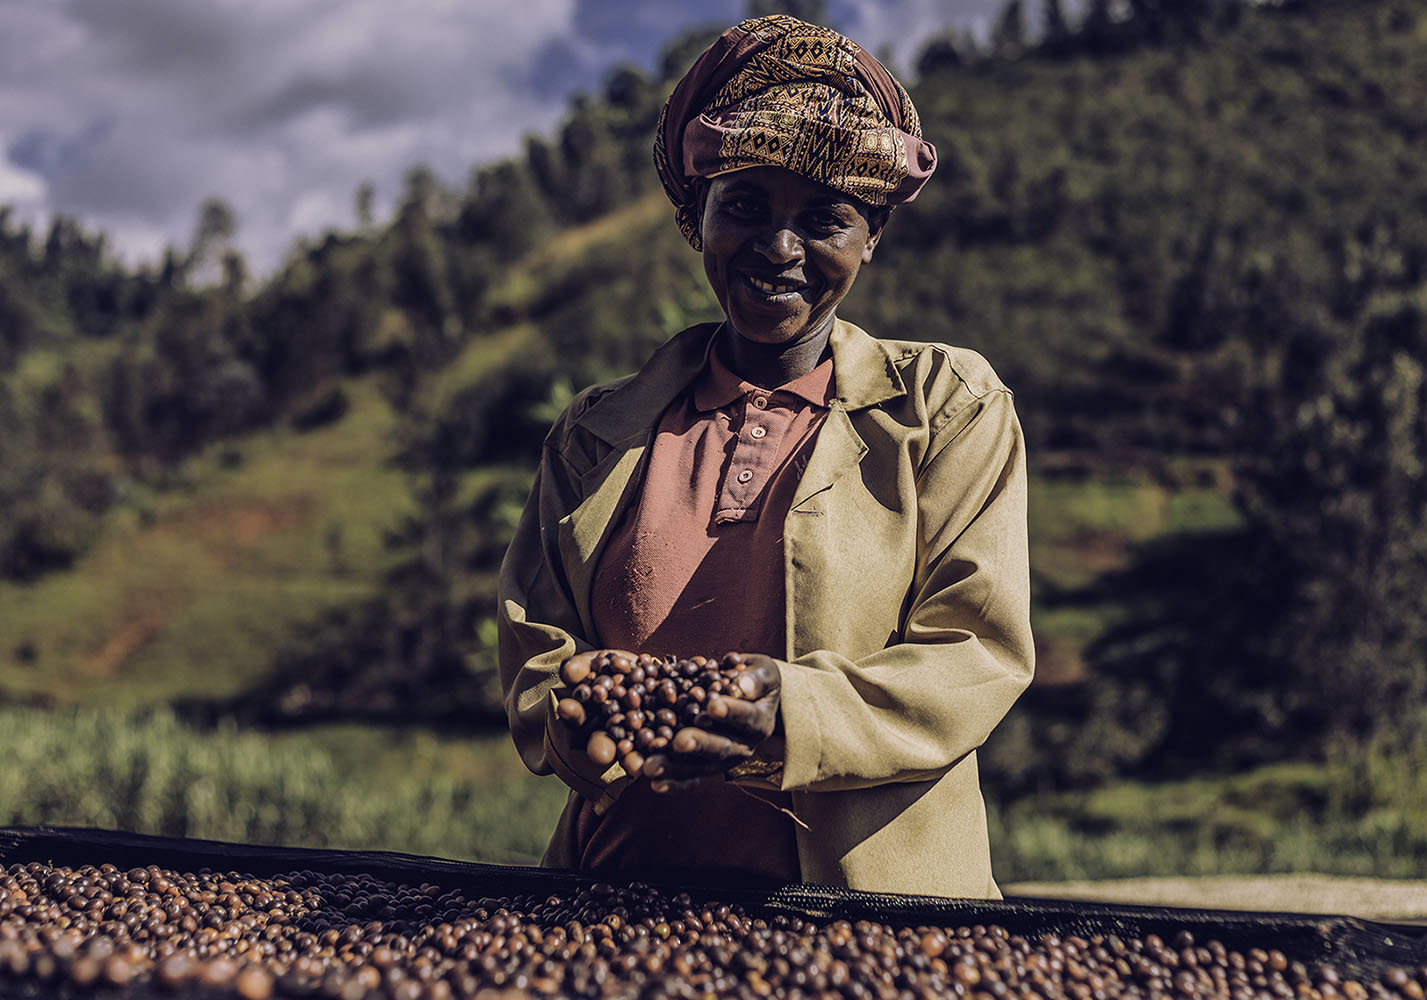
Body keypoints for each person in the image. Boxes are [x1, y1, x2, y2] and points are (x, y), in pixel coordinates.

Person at [498, 14, 1034, 899]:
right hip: (612, 905)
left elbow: (973, 654)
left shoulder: (945, 407)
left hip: (875, 927)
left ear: (870, 240)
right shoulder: (593, 435)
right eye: (744, 205)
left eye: (825, 219)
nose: (779, 249)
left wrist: (788, 714)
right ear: (696, 217)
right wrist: (570, 704)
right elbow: (534, 650)